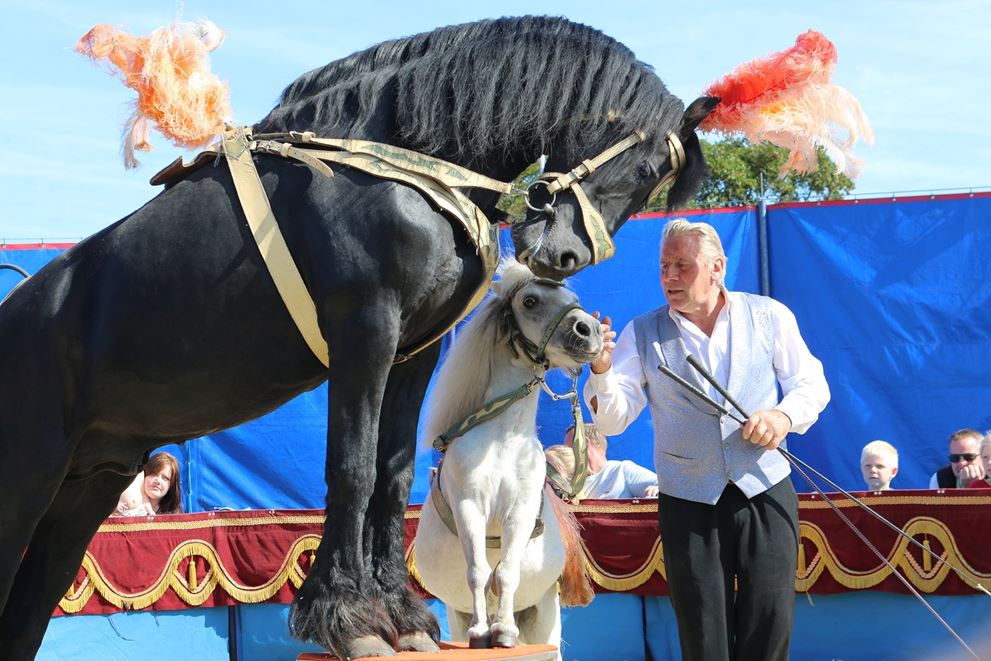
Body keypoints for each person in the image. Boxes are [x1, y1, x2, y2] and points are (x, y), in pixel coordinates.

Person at [583, 218, 830, 661]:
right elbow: (615, 421)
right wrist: (600, 372)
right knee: (702, 635)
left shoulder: (769, 314)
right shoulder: (642, 332)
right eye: (663, 266)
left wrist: (782, 415)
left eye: (683, 265)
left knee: (770, 624)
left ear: (717, 267)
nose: (670, 277)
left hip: (765, 488)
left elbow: (812, 384)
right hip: (688, 499)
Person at [562, 424, 659, 498]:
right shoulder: (568, 484)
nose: (565, 453)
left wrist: (656, 490)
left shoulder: (621, 470)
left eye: (568, 447)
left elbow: (661, 486)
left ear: (584, 444)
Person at [113, 452, 183, 516]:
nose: (158, 481)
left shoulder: (173, 518)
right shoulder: (121, 500)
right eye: (153, 474)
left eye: (165, 478)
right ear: (144, 475)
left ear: (171, 485)